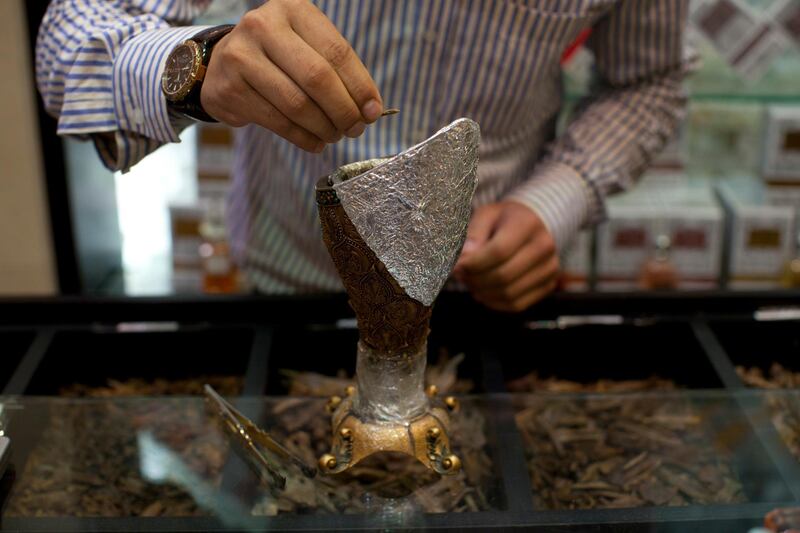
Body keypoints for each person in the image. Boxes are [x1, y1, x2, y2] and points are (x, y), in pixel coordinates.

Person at [36, 0, 694, 311]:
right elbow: (70, 41)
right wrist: (198, 66)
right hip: (287, 287)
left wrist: (556, 198)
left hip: (478, 291)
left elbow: (649, 79)